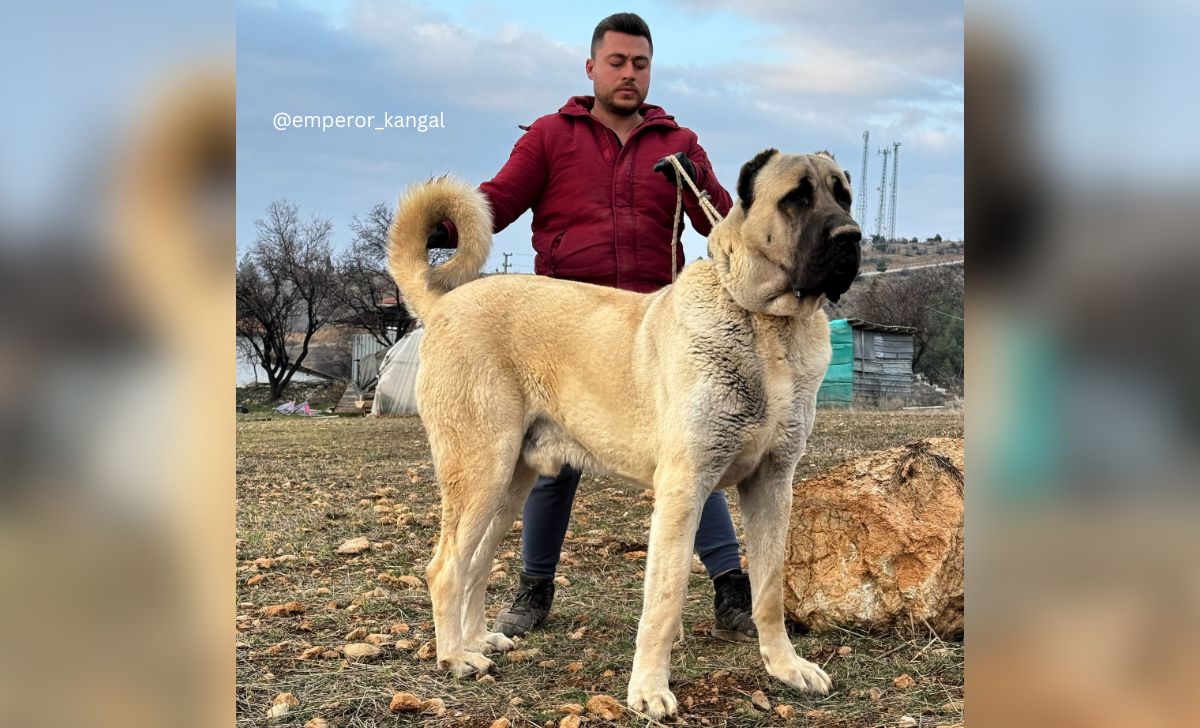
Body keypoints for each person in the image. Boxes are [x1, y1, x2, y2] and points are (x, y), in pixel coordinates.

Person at [427, 12, 756, 642]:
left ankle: (728, 587)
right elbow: (495, 202)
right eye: (617, 62)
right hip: (564, 328)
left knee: (696, 451)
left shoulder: (678, 144)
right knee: (551, 464)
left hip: (656, 328)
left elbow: (722, 223)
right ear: (592, 67)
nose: (629, 74)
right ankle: (534, 588)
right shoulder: (551, 136)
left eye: (640, 64)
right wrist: (437, 234)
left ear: (650, 70)